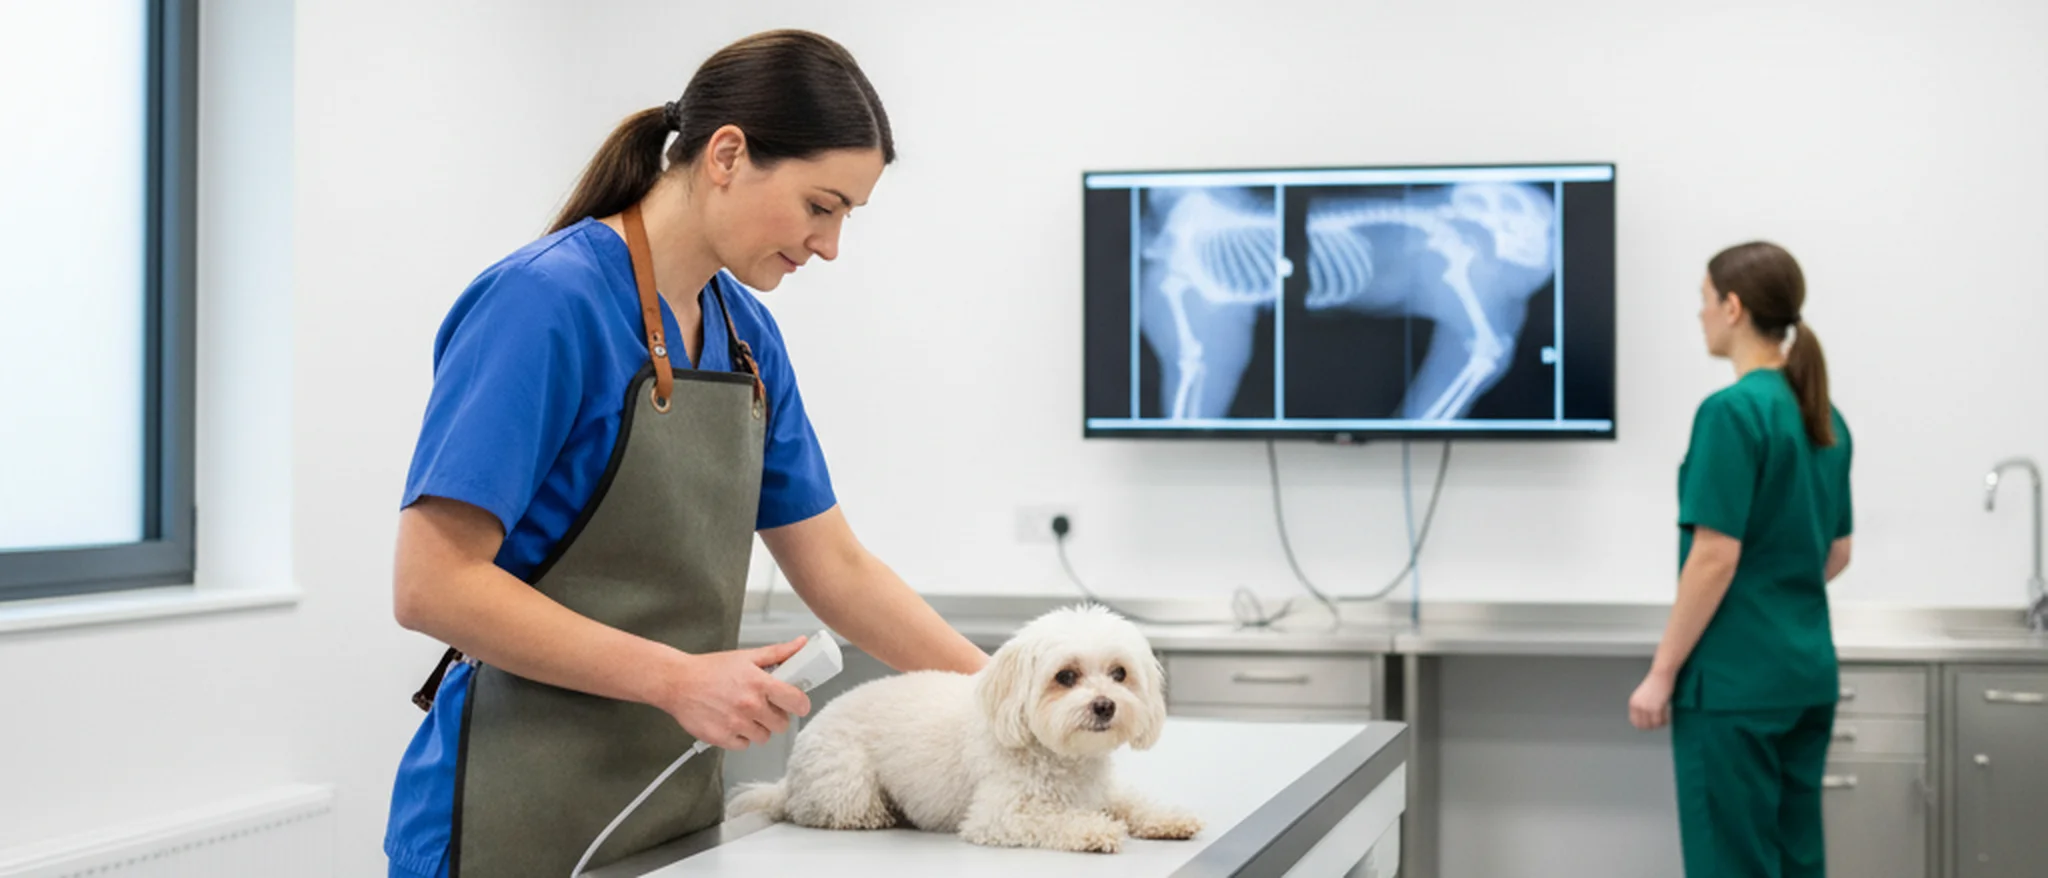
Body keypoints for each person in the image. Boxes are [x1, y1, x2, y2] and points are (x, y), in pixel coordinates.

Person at [382, 29, 989, 878]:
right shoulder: (544, 304)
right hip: (506, 811)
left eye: (846, 217)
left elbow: (839, 571)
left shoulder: (746, 339)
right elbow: (432, 584)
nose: (830, 246)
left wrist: (1012, 695)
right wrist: (676, 680)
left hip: (668, 811)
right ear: (728, 154)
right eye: (822, 206)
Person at [1628, 241, 1854, 877]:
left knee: (1732, 865)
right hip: (1804, 676)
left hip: (1733, 688)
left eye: (1703, 301)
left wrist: (1663, 673)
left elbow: (1714, 556)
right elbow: (1835, 552)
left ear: (1733, 306)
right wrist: (1775, 592)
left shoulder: (1731, 413)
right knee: (1793, 860)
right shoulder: (1822, 416)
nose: (1698, 315)